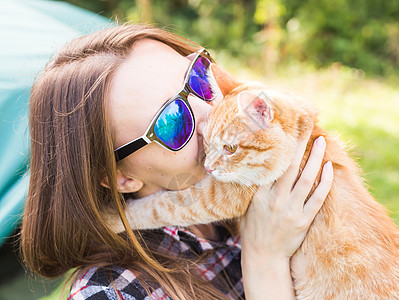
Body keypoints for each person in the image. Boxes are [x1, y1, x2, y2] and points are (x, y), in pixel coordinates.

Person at [20, 24, 334, 300]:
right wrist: (265, 263)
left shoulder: (256, 179)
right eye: (172, 121)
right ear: (121, 177)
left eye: (198, 79)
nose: (209, 112)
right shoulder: (110, 293)